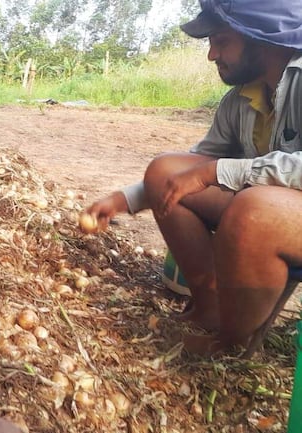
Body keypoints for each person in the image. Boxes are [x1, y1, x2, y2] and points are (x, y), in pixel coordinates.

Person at [83, 0, 302, 356]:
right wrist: (127, 199)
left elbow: (212, 171)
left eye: (222, 42)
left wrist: (215, 171)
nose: (212, 55)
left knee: (254, 208)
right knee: (165, 170)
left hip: (271, 214)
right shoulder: (240, 100)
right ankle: (211, 303)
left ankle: (232, 342)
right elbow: (192, 170)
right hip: (267, 205)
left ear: (261, 39)